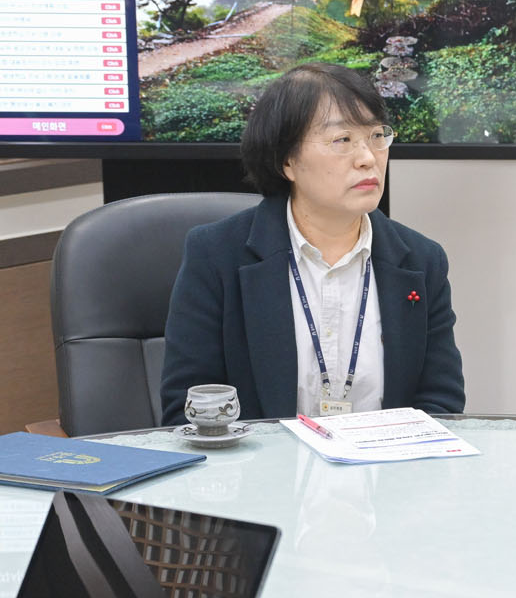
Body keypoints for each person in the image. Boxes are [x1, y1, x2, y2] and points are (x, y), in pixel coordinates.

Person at [159, 63, 464, 423]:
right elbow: (189, 412)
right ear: (287, 160)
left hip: (388, 460)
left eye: (376, 136)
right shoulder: (216, 256)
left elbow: (441, 404)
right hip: (262, 460)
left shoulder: (422, 261)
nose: (368, 158)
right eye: (342, 140)